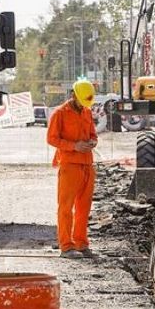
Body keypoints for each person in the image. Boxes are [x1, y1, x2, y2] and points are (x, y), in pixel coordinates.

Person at [47, 80, 98, 259]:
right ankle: (66, 246)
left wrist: (92, 142)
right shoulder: (60, 114)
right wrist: (73, 146)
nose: (85, 105)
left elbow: (93, 134)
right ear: (73, 95)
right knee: (66, 207)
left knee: (84, 208)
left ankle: (81, 244)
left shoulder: (87, 111)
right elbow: (52, 139)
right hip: (69, 165)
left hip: (87, 165)